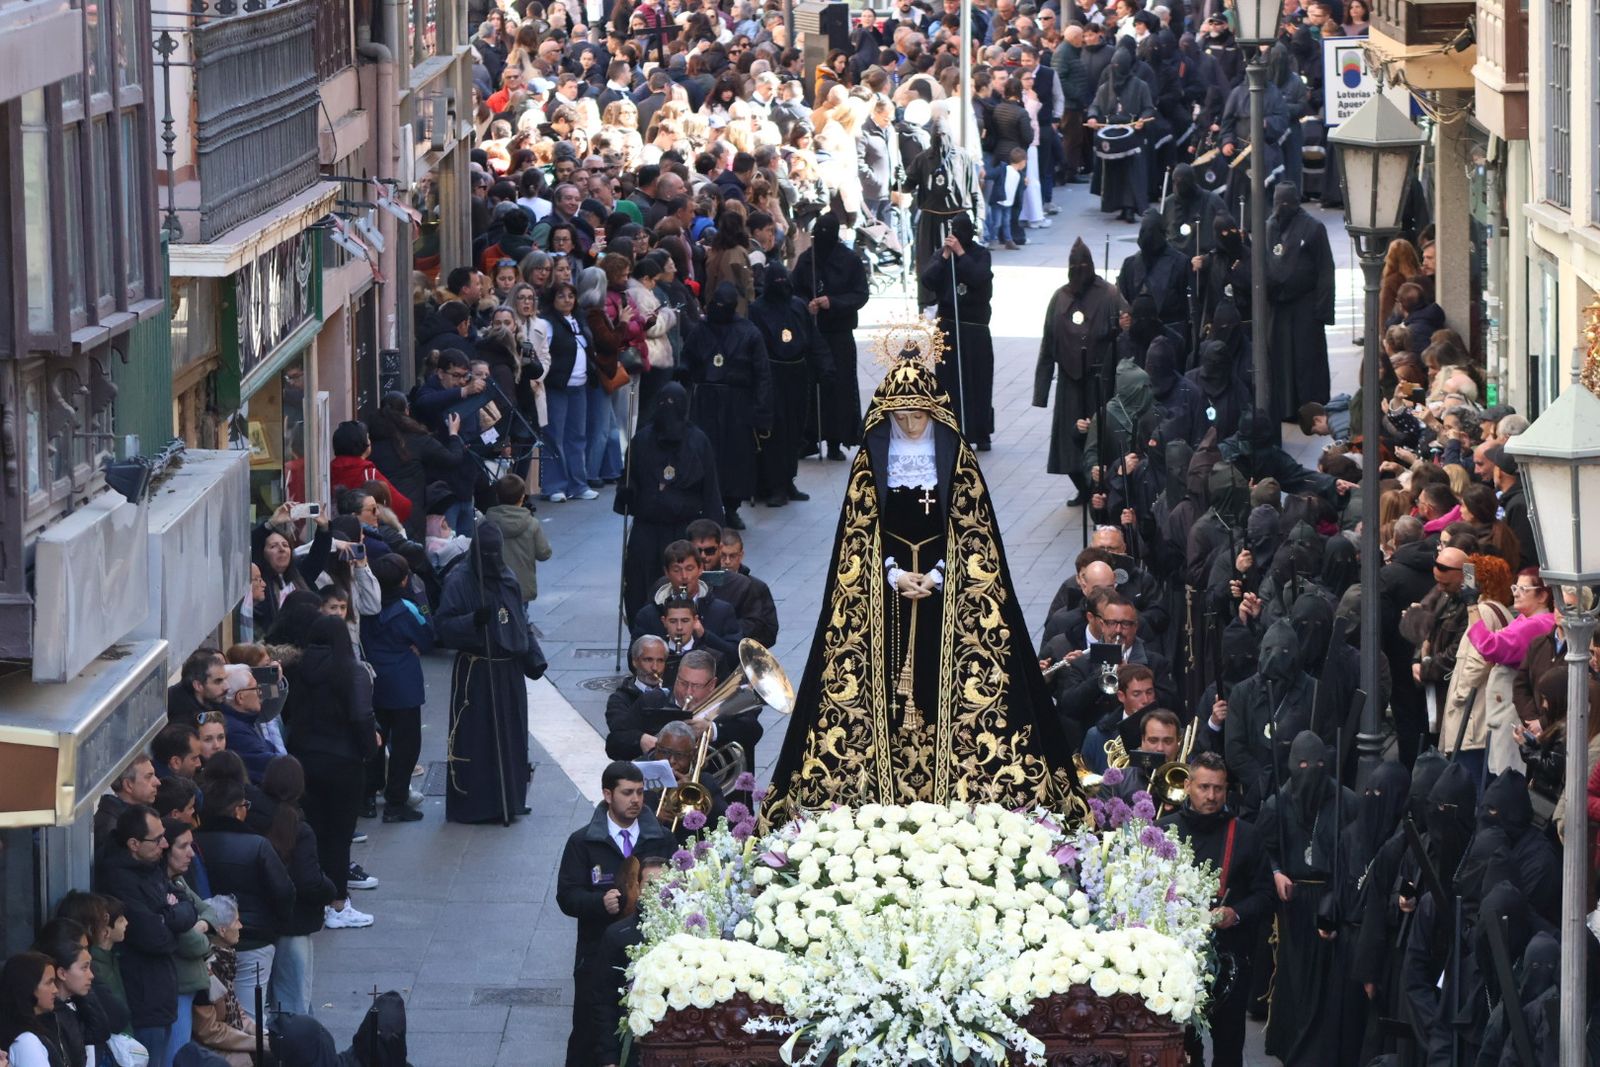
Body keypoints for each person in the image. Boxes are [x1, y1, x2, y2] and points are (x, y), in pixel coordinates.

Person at [764, 343, 1080, 819]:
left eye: (918, 413)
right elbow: (857, 538)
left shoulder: (959, 464)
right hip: (884, 597)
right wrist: (890, 573)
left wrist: (936, 574)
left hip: (948, 595)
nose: (911, 423)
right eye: (902, 414)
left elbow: (975, 537)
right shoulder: (870, 466)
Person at [556, 762, 673, 1067]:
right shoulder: (583, 842)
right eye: (627, 793)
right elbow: (567, 896)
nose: (636, 799)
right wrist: (598, 903)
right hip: (596, 955)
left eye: (639, 792)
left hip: (652, 955)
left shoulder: (661, 839)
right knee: (589, 1031)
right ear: (608, 795)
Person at [1162, 751, 1272, 1067]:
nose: (1211, 796)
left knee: (1228, 1047)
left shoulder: (1247, 835)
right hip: (1175, 962)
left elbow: (1265, 896)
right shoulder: (1164, 829)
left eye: (1218, 789)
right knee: (1183, 1048)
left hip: (1231, 957)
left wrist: (1235, 914)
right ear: (1187, 786)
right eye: (1204, 787)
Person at [434, 521, 548, 825]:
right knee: (476, 737)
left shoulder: (506, 576)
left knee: (511, 736)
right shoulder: (459, 580)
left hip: (507, 671)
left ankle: (509, 800)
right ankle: (476, 805)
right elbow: (443, 627)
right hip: (476, 671)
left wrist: (532, 656)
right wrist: (472, 620)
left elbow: (519, 618)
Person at [1258, 731, 1358, 1066]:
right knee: (1295, 973)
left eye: (1316, 764)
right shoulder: (1277, 803)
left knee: (1328, 977)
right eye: (1301, 764)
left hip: (1331, 897)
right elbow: (1265, 851)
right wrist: (1276, 873)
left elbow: (1353, 851)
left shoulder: (1345, 801)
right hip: (1295, 899)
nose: (1309, 770)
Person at [283, 616, 378, 928]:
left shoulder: (296, 670)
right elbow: (362, 715)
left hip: (303, 760)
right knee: (339, 835)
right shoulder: (351, 671)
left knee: (314, 830)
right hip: (343, 762)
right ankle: (337, 903)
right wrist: (370, 751)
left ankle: (316, 895)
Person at [94, 805, 196, 1065]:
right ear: (133, 844)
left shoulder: (152, 866)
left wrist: (167, 917)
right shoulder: (118, 878)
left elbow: (188, 906)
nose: (164, 845)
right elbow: (154, 937)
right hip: (143, 998)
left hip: (160, 993)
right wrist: (170, 919)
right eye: (158, 839)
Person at [615, 384, 724, 622]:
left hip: (684, 529)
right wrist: (626, 493)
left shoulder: (697, 441)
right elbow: (628, 485)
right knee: (640, 585)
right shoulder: (642, 440)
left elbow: (710, 491)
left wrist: (715, 533)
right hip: (648, 530)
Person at [1035, 239, 1129, 505]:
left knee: (1100, 435)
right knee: (1069, 438)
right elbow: (1048, 341)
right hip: (1069, 380)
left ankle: (1102, 483)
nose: (1079, 271)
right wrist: (1040, 392)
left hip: (1101, 379)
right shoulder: (1060, 297)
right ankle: (1082, 485)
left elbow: (1125, 327)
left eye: (1083, 266)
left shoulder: (1109, 294)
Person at [193, 781, 294, 1025]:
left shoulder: (193, 843)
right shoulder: (257, 845)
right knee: (249, 1016)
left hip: (207, 941)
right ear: (238, 810)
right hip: (253, 939)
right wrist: (273, 924)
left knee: (213, 1018)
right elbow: (284, 892)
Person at [246, 756, 335, 1019]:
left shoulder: (250, 816)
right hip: (294, 923)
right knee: (294, 996)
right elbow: (309, 881)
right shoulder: (299, 828)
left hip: (258, 920)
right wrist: (330, 889)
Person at [684, 282, 774, 531]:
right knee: (706, 453)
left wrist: (761, 411)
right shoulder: (701, 330)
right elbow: (688, 360)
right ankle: (705, 505)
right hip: (706, 400)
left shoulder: (748, 332)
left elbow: (762, 374)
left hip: (737, 402)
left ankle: (731, 507)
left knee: (736, 457)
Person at [748, 262, 831, 508]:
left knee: (794, 429)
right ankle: (773, 485)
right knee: (774, 432)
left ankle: (788, 480)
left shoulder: (797, 306)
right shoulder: (757, 309)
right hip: (772, 375)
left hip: (797, 373)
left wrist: (824, 366)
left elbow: (812, 337)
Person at [791, 213, 871, 462]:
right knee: (810, 387)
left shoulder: (849, 260)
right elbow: (796, 290)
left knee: (839, 388)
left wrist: (833, 302)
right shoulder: (807, 260)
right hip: (814, 333)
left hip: (839, 333)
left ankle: (836, 439)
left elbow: (859, 294)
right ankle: (810, 438)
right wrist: (807, 304)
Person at [361, 555, 433, 823]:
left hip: (373, 682)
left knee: (374, 740)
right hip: (403, 684)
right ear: (404, 580)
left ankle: (367, 796)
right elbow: (427, 636)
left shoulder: (364, 606)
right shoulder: (406, 608)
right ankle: (396, 800)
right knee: (405, 745)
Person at [921, 213, 996, 450]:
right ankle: (950, 429)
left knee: (978, 381)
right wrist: (944, 257)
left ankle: (980, 431)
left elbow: (978, 277)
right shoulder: (942, 255)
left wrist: (961, 254)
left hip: (974, 328)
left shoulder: (981, 254)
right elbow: (928, 280)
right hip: (949, 327)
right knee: (948, 381)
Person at [1263, 181, 1335, 423]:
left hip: (1305, 305)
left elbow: (1325, 270)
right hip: (1278, 306)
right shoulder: (1270, 226)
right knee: (1280, 359)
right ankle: (1283, 406)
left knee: (1305, 359)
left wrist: (1322, 309)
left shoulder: (1313, 228)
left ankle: (1309, 406)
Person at [1086, 47, 1155, 222]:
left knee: (1131, 172)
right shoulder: (1105, 88)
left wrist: (1142, 119)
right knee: (1114, 172)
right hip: (1112, 134)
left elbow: (1148, 108)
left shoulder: (1141, 86)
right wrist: (1093, 117)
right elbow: (1095, 106)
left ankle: (1130, 207)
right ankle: (1116, 204)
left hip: (1132, 134)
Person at [0, 952, 62, 1067]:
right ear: (28, 987)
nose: (55, 990)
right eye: (49, 982)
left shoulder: (36, 1029)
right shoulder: (26, 1041)